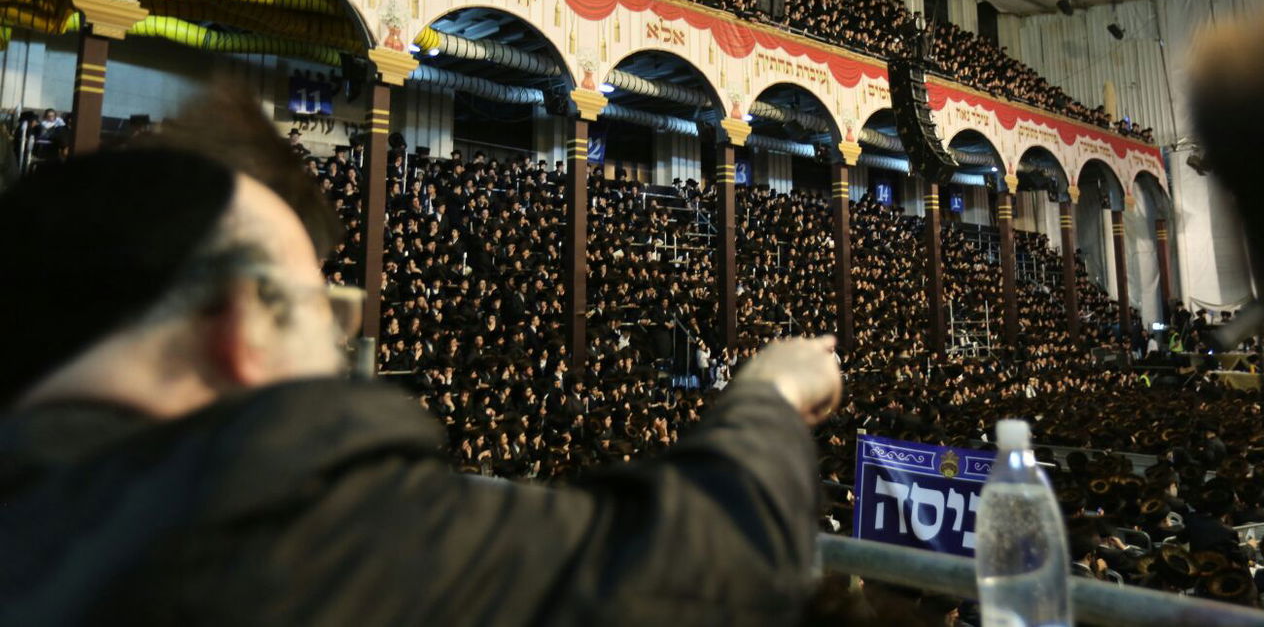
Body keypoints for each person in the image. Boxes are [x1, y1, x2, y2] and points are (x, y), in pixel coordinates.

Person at [0, 89, 843, 626]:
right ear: (244, 324)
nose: (340, 342)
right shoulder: (285, 527)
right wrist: (768, 394)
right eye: (325, 307)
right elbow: (700, 567)